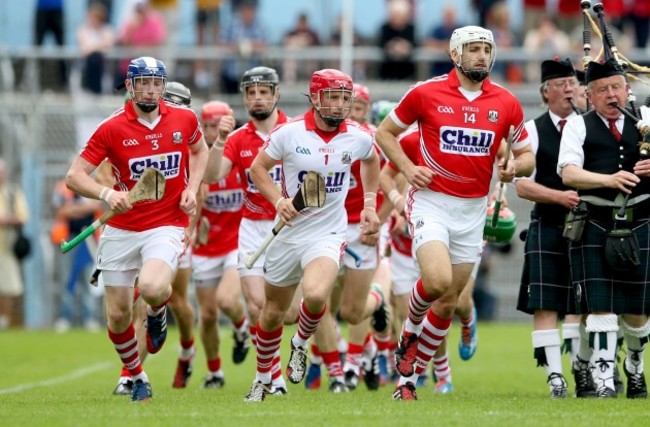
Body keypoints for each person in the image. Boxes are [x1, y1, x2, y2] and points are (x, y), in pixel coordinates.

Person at [375, 25, 535, 401]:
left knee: (449, 301)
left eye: (486, 49)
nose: (481, 55)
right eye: (473, 49)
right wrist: (409, 169)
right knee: (435, 280)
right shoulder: (425, 92)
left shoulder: (507, 102)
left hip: (473, 210)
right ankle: (409, 334)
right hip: (431, 202)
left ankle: (408, 382)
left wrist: (517, 168)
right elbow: (384, 134)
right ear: (455, 54)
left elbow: (526, 156)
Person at [65, 56, 208, 402]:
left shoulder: (184, 118)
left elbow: (199, 151)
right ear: (129, 86)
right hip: (122, 227)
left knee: (154, 287)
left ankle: (157, 314)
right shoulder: (112, 127)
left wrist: (192, 188)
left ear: (162, 86)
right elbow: (74, 176)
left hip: (166, 224)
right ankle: (138, 376)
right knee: (117, 316)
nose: (149, 89)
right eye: (141, 82)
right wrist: (107, 193)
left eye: (155, 83)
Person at [242, 68, 381, 402]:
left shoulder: (358, 136)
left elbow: (372, 161)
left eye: (344, 99)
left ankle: (301, 344)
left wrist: (369, 204)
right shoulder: (289, 134)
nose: (339, 105)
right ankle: (263, 378)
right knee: (273, 313)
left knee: (317, 295)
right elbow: (257, 169)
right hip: (289, 233)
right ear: (316, 98)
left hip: (328, 233)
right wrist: (278, 200)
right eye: (332, 97)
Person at [557, 58, 650, 399]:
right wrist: (607, 179)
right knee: (601, 308)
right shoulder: (578, 127)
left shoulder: (647, 119)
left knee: (638, 314)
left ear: (628, 90)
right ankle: (604, 378)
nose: (611, 96)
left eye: (616, 88)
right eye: (601, 90)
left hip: (641, 222)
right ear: (588, 97)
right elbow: (568, 174)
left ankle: (635, 367)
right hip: (596, 221)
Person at [204, 66, 289, 395]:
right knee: (256, 304)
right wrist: (220, 139)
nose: (257, 98)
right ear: (244, 98)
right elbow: (212, 176)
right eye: (251, 93)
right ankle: (272, 377)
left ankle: (291, 359)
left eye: (264, 92)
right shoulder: (237, 138)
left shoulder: (294, 131)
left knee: (286, 311)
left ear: (276, 95)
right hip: (253, 227)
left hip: (289, 228)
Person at [514, 57, 582, 398]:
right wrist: (560, 197)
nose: (571, 88)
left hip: (589, 227)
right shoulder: (532, 129)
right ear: (546, 90)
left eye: (574, 82)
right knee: (546, 305)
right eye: (563, 83)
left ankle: (585, 370)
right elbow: (522, 186)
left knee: (585, 306)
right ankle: (556, 377)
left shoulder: (591, 125)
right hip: (549, 224)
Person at [192, 99, 250, 388]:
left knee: (226, 300)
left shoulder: (238, 155)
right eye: (208, 126)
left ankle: (242, 329)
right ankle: (215, 371)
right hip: (205, 244)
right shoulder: (195, 157)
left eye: (219, 125)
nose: (213, 131)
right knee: (208, 314)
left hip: (236, 242)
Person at [51, 177, 104, 332]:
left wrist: (74, 209)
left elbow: (97, 207)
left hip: (89, 238)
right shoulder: (62, 187)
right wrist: (83, 208)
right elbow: (61, 211)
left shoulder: (93, 187)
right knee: (67, 278)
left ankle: (90, 317)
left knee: (89, 277)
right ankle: (65, 317)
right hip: (69, 237)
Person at [0, 159, 29, 330]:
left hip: (7, 246)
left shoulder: (12, 192)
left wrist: (6, 220)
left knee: (10, 286)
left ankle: (4, 321)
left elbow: (22, 216)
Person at [77, 2, 115, 95]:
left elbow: (107, 45)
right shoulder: (83, 29)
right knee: (94, 57)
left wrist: (92, 47)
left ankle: (95, 88)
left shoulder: (107, 29)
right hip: (86, 65)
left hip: (102, 66)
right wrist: (99, 45)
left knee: (96, 57)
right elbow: (84, 49)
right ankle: (91, 86)